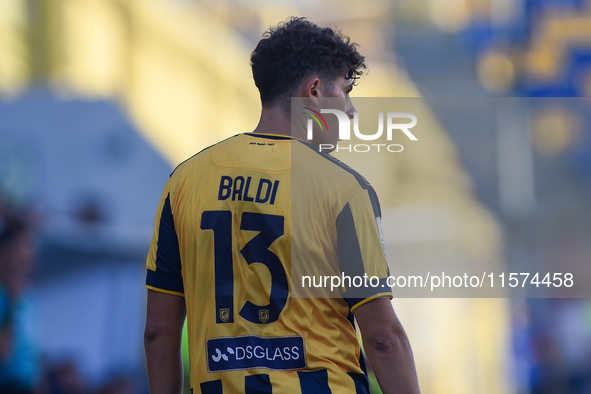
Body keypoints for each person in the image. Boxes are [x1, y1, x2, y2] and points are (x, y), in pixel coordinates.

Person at [144, 17, 420, 394]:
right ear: (316, 91)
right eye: (346, 91)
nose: (352, 111)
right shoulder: (342, 189)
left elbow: (158, 332)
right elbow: (382, 336)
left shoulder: (185, 180)